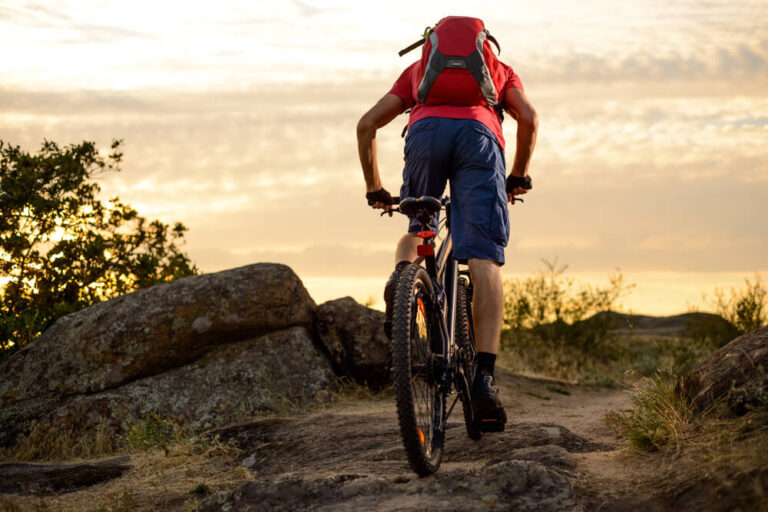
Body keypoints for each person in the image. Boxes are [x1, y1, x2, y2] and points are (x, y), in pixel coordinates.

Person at [356, 17, 538, 431]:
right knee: (484, 257)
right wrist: (518, 175)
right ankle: (485, 379)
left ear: (431, 45)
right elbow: (528, 117)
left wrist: (375, 189)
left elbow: (366, 124)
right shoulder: (499, 69)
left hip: (425, 133)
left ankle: (403, 280)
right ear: (483, 45)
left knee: (420, 225)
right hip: (479, 136)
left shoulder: (418, 71)